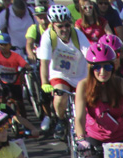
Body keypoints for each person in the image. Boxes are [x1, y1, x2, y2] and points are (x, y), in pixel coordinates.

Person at [38, 3, 90, 139]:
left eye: (67, 25)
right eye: (60, 26)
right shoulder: (48, 37)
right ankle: (60, 119)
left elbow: (90, 57)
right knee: (60, 96)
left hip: (80, 74)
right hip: (59, 74)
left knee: (87, 104)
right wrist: (44, 82)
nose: (65, 29)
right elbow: (44, 62)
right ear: (52, 25)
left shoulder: (78, 35)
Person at [0, 31, 28, 104]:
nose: (3, 47)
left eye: (5, 45)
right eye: (1, 45)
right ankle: (3, 112)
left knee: (19, 101)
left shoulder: (15, 56)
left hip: (15, 82)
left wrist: (27, 66)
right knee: (1, 101)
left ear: (10, 45)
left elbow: (23, 63)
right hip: (1, 83)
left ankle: (22, 114)